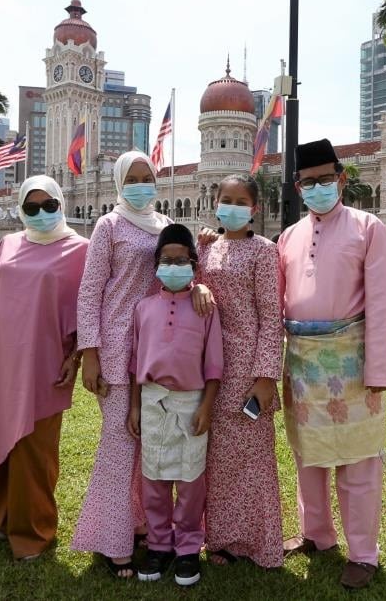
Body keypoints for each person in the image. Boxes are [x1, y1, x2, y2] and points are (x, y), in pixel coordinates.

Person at [71, 150, 213, 579]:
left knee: (149, 453)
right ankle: (113, 543)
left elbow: (182, 263)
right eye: (131, 178)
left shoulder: (162, 223)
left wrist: (204, 253)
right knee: (119, 448)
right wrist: (90, 352)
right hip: (116, 349)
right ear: (118, 182)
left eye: (146, 176)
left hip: (159, 350)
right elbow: (90, 289)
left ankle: (139, 528)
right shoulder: (108, 225)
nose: (139, 184)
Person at [278, 139, 386, 590]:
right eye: (308, 182)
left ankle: (363, 553)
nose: (317, 188)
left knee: (358, 462)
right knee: (308, 457)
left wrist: (382, 370)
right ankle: (317, 535)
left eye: (324, 179)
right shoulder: (288, 237)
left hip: (353, 362)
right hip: (303, 365)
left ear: (341, 179)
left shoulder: (369, 228)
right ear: (297, 186)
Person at [0, 175, 88, 561]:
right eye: (31, 207)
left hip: (46, 365)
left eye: (49, 206)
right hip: (1, 362)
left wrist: (74, 358)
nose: (41, 214)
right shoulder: (9, 244)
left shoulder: (81, 250)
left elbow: (88, 312)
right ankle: (5, 516)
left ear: (61, 205)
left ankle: (35, 532)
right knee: (1, 439)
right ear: (21, 210)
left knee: (35, 450)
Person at [127, 224, 223, 587]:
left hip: (191, 403)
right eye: (166, 260)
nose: (173, 266)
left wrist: (207, 407)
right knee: (154, 479)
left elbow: (214, 364)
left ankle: (186, 547)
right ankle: (159, 544)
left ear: (193, 265)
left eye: (181, 260)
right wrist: (135, 407)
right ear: (156, 265)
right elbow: (137, 362)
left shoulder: (205, 307)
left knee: (189, 480)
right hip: (152, 402)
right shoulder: (143, 308)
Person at [197, 174, 284, 569]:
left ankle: (257, 542)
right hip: (211, 364)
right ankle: (222, 539)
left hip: (248, 366)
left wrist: (265, 377)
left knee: (252, 458)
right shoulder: (208, 249)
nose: (230, 206)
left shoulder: (264, 251)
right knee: (217, 459)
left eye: (239, 200)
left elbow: (271, 317)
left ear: (254, 209)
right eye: (224, 198)